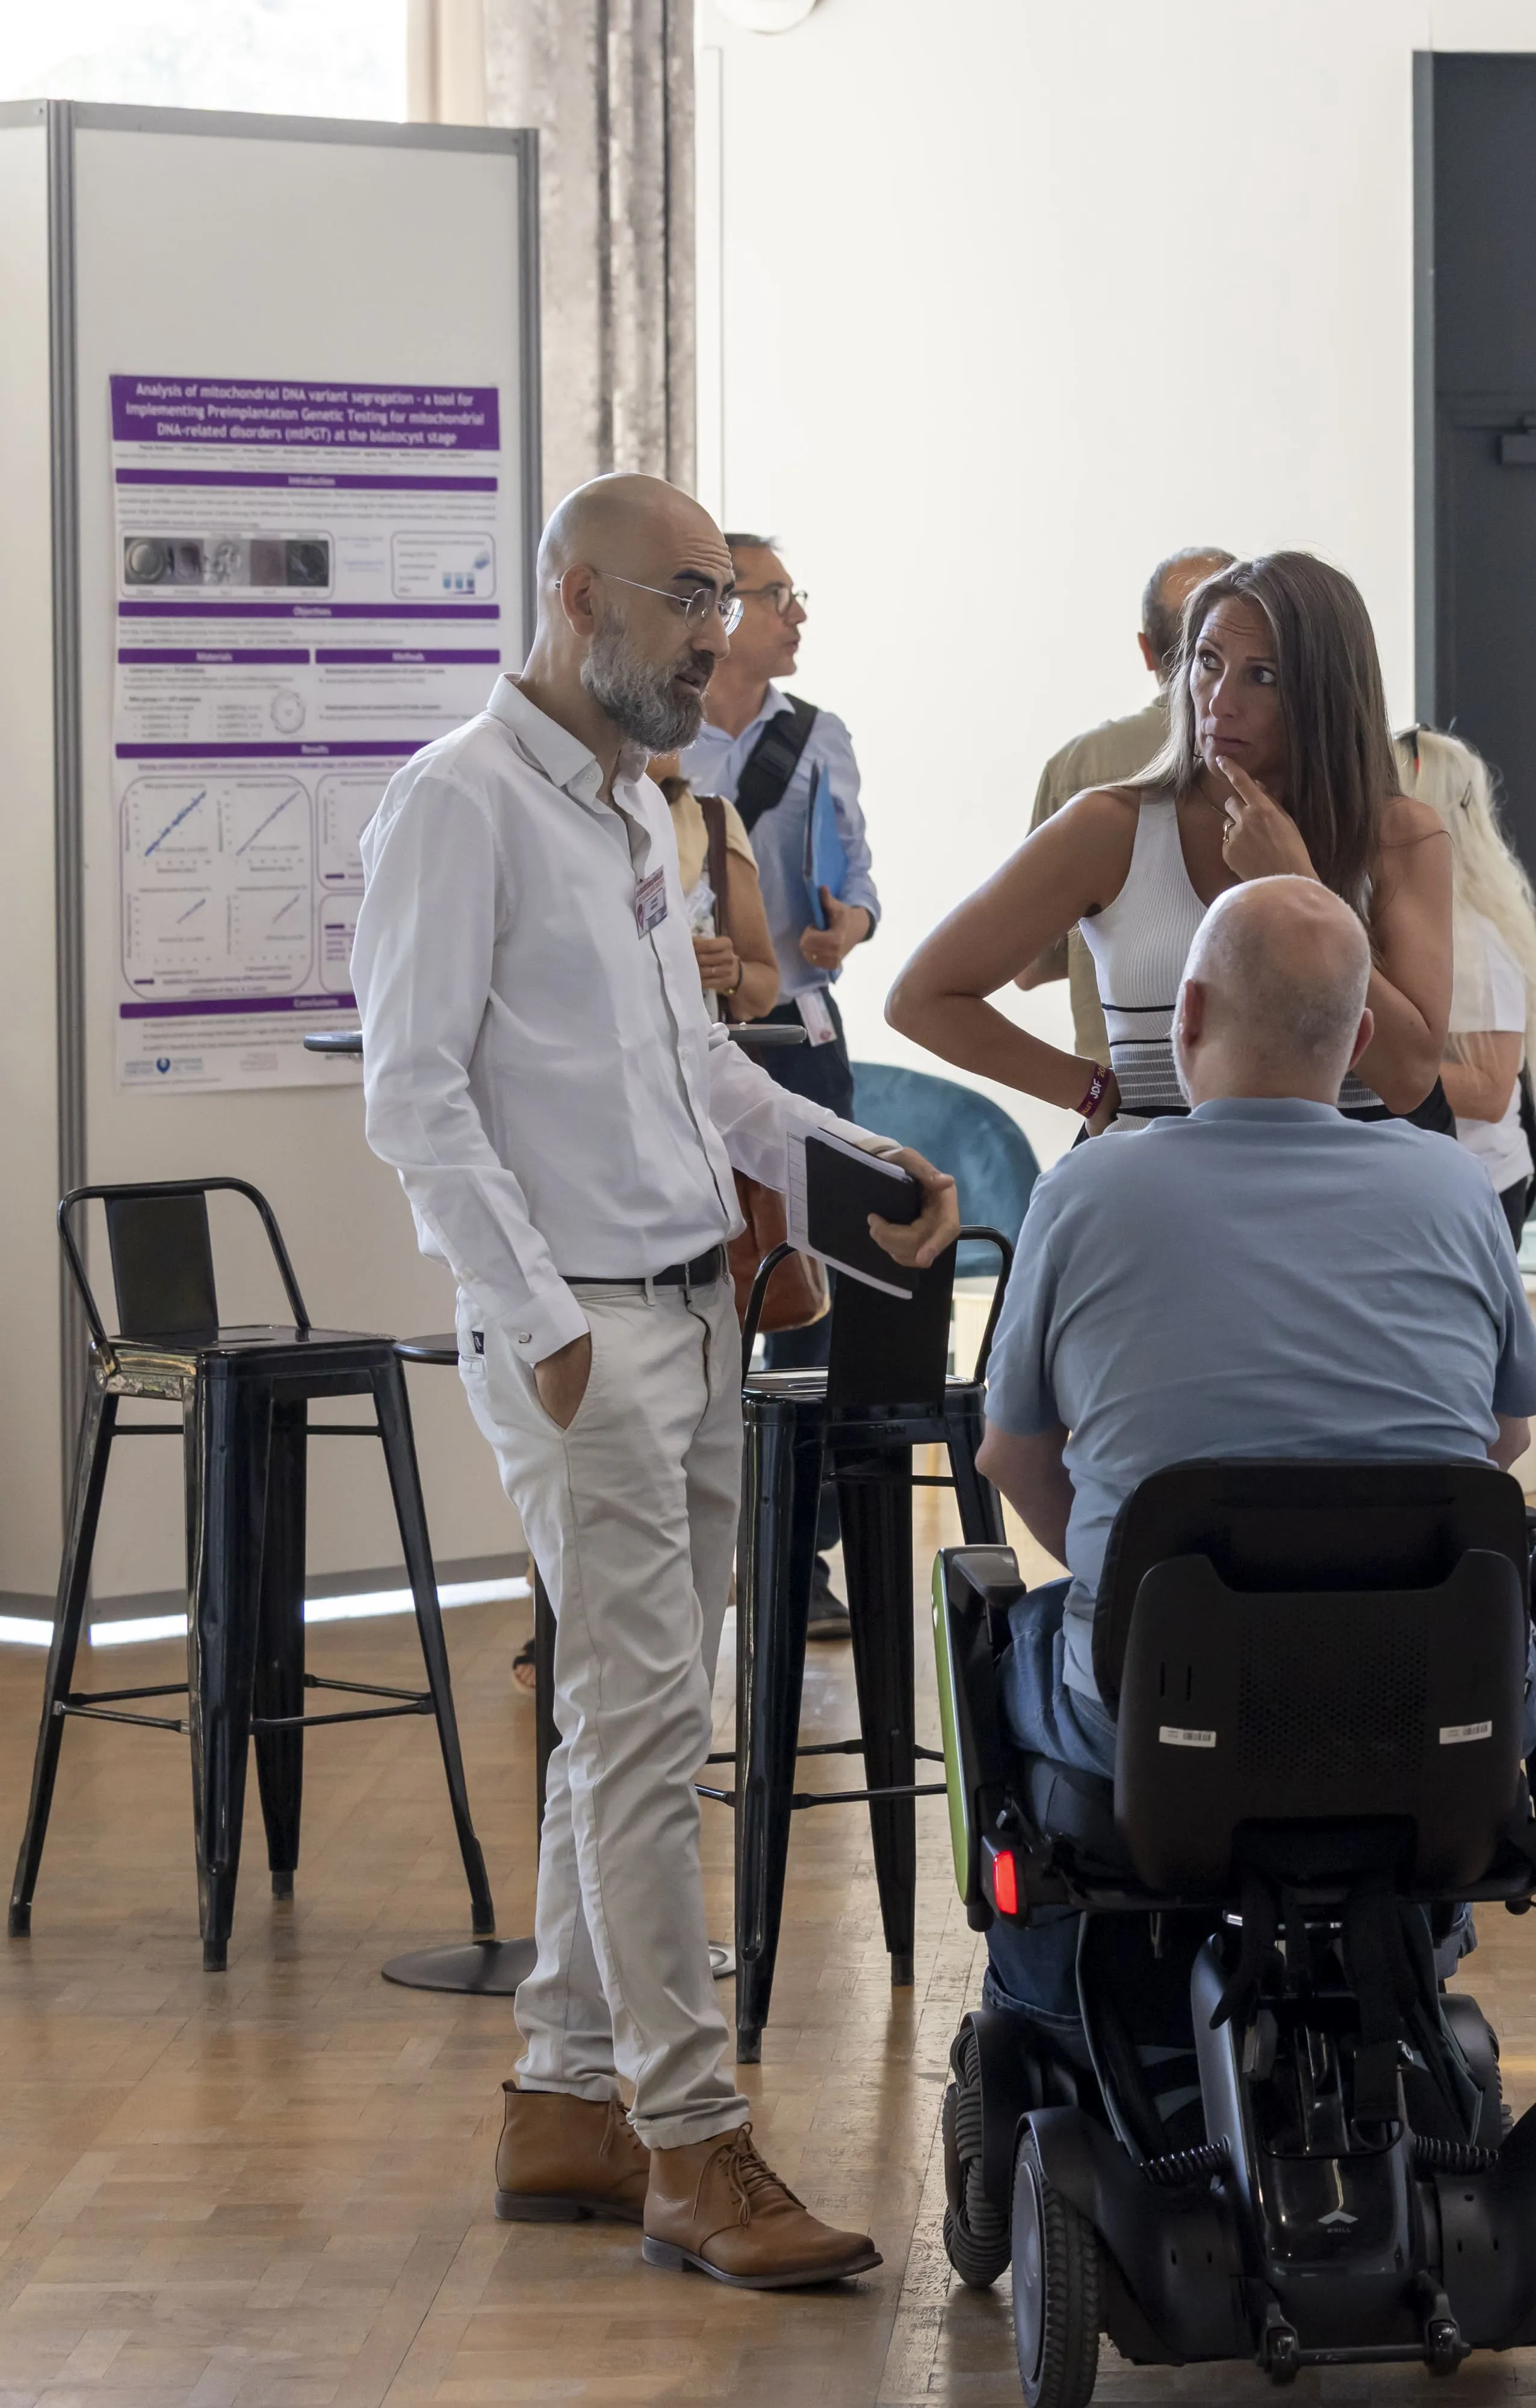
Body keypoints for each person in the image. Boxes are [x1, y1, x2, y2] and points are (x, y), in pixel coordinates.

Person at [351, 472, 959, 2287]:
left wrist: (854, 1184)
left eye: (726, 595)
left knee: (628, 1710)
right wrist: (533, 1315)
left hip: (694, 1312)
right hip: (582, 1334)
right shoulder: (456, 804)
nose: (719, 629)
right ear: (575, 593)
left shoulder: (637, 810)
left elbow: (704, 1072)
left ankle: (561, 2095)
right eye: (688, 594)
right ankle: (693, 2141)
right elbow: (411, 1094)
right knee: (637, 1730)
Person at [971, 875, 1536, 2040]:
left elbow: (1013, 1453)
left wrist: (1136, 1571)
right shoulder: (1453, 1185)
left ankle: (1037, 2018)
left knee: (1007, 1634)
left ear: (1185, 1016)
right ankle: (1417, 1953)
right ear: (1363, 1035)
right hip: (1429, 1697)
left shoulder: (1086, 1192)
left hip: (1169, 1705)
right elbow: (1501, 1442)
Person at [889, 551, 1452, 1136]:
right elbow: (921, 998)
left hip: (1339, 1208)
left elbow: (1410, 1078)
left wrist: (1300, 885)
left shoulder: (1401, 838)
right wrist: (1091, 1090)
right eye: (1208, 661)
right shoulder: (1109, 829)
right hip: (1155, 1209)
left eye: (1262, 675)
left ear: (1327, 692)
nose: (1219, 700)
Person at [679, 534, 875, 1630]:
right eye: (777, 597)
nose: (796, 615)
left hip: (797, 1037)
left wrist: (847, 923)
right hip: (689, 1046)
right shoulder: (655, 742)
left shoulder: (815, 738)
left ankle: (799, 1554)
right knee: (699, 1288)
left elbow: (857, 875)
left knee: (808, 1298)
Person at [1025, 545, 1236, 1063]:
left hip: (1122, 1096)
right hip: (1263, 1104)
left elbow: (1031, 964)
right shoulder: (1303, 761)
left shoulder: (1077, 768)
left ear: (1146, 650)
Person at [1399, 725, 1536, 1229]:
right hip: (1432, 1187)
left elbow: (1490, 1092)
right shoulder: (1416, 921)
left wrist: (1362, 1063)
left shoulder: (1475, 941)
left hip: (1475, 1193)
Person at [651, 749, 780, 1020]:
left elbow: (765, 992)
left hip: (700, 1054)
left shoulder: (713, 821)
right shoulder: (571, 819)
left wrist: (730, 973)